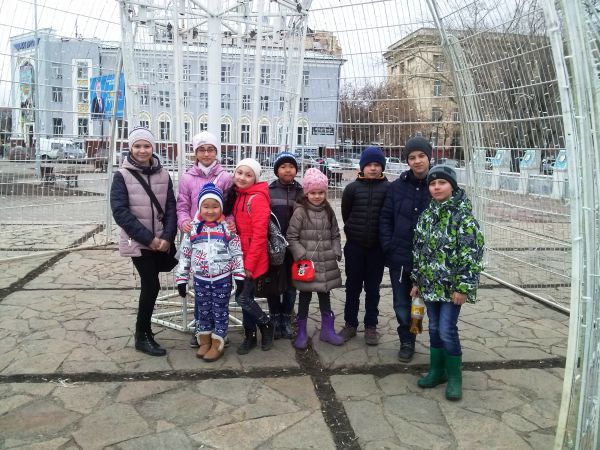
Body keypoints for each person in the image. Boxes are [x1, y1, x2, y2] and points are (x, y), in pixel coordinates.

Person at [411, 165, 484, 400]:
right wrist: (417, 281)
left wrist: (463, 287)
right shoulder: (427, 215)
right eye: (432, 184)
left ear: (452, 186)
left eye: (442, 183)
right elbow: (419, 250)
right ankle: (437, 371)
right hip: (430, 285)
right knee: (433, 328)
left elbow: (471, 254)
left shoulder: (463, 217)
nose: (436, 187)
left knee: (447, 329)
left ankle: (454, 378)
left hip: (452, 289)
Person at [110, 127, 177, 356]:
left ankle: (146, 332)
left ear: (153, 148)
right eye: (137, 146)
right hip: (138, 242)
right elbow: (120, 212)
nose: (142, 150)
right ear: (130, 148)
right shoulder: (122, 176)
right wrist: (149, 239)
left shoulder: (163, 174)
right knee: (151, 285)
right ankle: (141, 335)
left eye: (146, 146)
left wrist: (167, 237)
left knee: (153, 284)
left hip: (161, 240)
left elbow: (170, 207)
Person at [175, 183, 245, 362]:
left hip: (222, 279)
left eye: (215, 206)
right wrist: (182, 279)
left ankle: (218, 342)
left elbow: (236, 253)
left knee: (220, 310)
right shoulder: (193, 230)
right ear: (200, 208)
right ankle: (204, 340)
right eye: (206, 206)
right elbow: (185, 255)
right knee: (204, 310)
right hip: (201, 279)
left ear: (221, 208)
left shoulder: (227, 229)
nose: (210, 211)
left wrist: (239, 276)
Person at [177, 131, 233, 348]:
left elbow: (230, 206)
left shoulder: (226, 178)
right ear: (196, 153)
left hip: (218, 239)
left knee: (219, 287)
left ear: (216, 151)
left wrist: (229, 223)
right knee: (201, 288)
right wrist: (184, 221)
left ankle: (220, 330)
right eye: (201, 149)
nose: (206, 153)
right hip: (198, 237)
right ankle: (201, 329)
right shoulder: (187, 178)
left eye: (210, 149)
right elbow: (183, 205)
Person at [379, 136, 432, 362]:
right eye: (412, 157)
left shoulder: (438, 185)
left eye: (421, 156)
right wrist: (389, 245)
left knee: (421, 303)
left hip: (429, 260)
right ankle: (406, 341)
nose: (417, 161)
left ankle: (418, 333)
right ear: (407, 161)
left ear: (429, 157)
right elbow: (385, 218)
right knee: (401, 304)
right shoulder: (396, 187)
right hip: (400, 256)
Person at [286, 168, 344, 349]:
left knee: (325, 296)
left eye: (321, 192)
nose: (317, 196)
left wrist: (336, 249)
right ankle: (302, 332)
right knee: (304, 297)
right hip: (307, 264)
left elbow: (335, 234)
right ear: (306, 193)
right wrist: (300, 253)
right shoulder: (300, 212)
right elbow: (291, 236)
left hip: (326, 263)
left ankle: (327, 330)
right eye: (313, 193)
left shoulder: (329, 211)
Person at [338, 146, 390, 345]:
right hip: (355, 247)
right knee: (352, 287)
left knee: (373, 289)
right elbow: (346, 213)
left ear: (382, 167)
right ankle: (350, 324)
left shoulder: (388, 189)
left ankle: (371, 326)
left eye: (377, 164)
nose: (373, 168)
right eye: (369, 164)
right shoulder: (352, 189)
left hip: (377, 249)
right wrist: (353, 232)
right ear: (362, 167)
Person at [223, 158, 275, 354]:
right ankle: (250, 336)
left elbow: (260, 236)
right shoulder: (238, 195)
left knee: (243, 298)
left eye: (248, 175)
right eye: (239, 173)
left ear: (255, 178)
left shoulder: (257, 198)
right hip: (240, 257)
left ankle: (266, 324)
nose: (242, 178)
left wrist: (249, 266)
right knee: (246, 297)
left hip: (253, 259)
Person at [267, 152, 304, 339]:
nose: (287, 170)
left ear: (296, 170)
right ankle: (274, 317)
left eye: (291, 166)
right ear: (276, 171)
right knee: (274, 284)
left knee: (291, 285)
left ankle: (286, 318)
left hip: (294, 247)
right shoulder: (269, 191)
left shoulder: (301, 191)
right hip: (275, 247)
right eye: (283, 167)